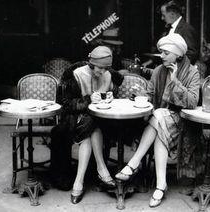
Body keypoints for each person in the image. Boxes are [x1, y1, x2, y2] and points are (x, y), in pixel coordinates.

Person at [115, 33, 200, 208]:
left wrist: (175, 80)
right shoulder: (158, 71)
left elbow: (192, 102)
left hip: (183, 121)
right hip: (161, 121)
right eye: (161, 52)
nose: (161, 56)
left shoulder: (193, 72)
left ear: (178, 54)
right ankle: (161, 185)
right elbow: (151, 95)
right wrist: (141, 94)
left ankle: (133, 163)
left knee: (159, 116)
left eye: (165, 52)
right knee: (160, 119)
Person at [50, 46, 124, 204]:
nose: (102, 72)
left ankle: (79, 182)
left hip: (95, 121)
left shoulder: (107, 74)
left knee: (92, 125)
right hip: (73, 120)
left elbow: (108, 94)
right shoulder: (75, 74)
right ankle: (102, 168)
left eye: (106, 68)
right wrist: (88, 100)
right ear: (91, 63)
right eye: (99, 68)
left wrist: (110, 95)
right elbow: (65, 104)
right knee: (92, 125)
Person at [160, 0, 199, 64]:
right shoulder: (169, 29)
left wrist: (177, 66)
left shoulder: (186, 29)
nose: (162, 18)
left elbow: (192, 54)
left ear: (172, 14)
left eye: (164, 15)